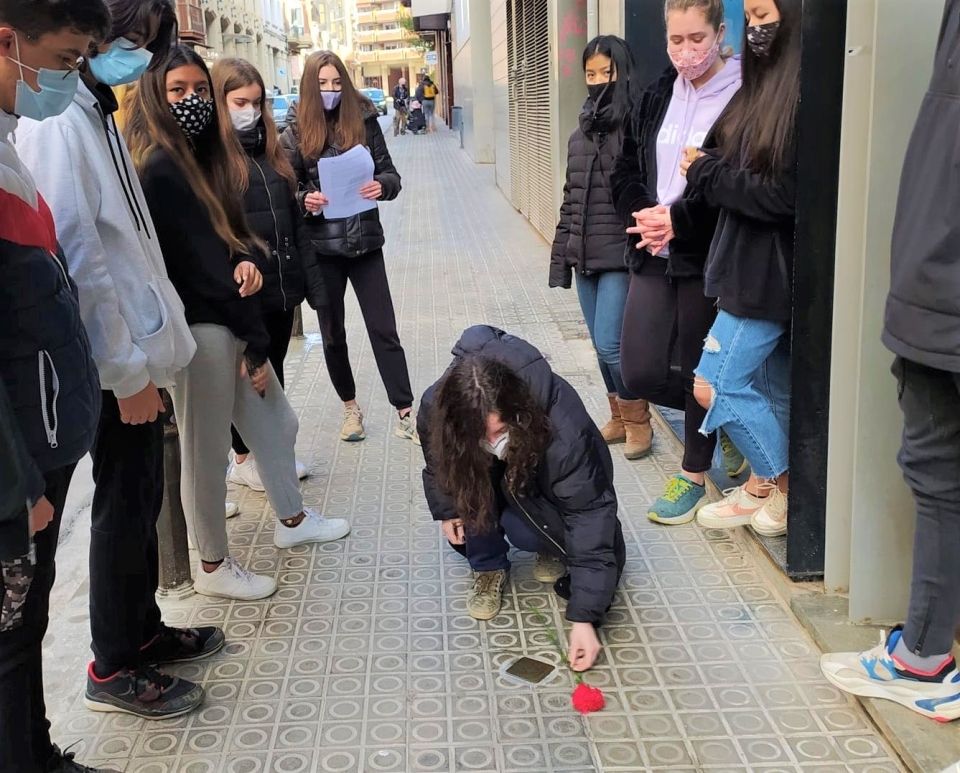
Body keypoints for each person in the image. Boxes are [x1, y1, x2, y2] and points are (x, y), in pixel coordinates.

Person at [16, 0, 229, 722]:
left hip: (138, 354)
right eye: (128, 40)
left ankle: (141, 628)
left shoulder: (96, 108)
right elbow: (79, 257)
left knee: (139, 498)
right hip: (113, 364)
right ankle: (113, 663)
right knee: (119, 505)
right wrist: (127, 373)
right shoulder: (59, 119)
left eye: (149, 43)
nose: (136, 55)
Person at [126, 45, 350, 602]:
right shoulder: (160, 166)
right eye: (178, 91)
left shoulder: (195, 161)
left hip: (226, 317)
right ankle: (211, 563)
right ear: (156, 95)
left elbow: (218, 244)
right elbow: (193, 268)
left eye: (198, 90)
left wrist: (244, 260)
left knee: (277, 422)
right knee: (203, 455)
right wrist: (251, 338)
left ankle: (292, 524)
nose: (192, 101)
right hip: (203, 329)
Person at [820, 0, 960, 723]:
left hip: (944, 292)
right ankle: (927, 653)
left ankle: (925, 658)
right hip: (936, 289)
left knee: (937, 471)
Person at [0, 3, 119, 769]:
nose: (72, 78)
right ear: (6, 41)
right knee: (11, 637)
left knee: (27, 625)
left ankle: (35, 751)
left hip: (40, 438)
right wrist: (14, 490)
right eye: (66, 59)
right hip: (15, 471)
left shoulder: (7, 137)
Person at [419, 326, 626, 672]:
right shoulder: (436, 407)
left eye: (500, 431)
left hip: (535, 478)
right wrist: (448, 509)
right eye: (479, 435)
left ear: (516, 412)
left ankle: (546, 541)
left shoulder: (562, 426)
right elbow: (436, 463)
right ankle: (487, 567)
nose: (492, 442)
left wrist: (585, 617)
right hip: (487, 478)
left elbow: (591, 515)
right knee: (468, 487)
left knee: (529, 532)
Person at [611, 0, 744, 525]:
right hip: (651, 248)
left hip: (703, 255)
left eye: (696, 39)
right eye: (675, 41)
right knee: (637, 368)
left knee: (697, 370)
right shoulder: (658, 93)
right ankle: (725, 419)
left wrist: (680, 221)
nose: (686, 52)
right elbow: (625, 165)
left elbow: (735, 185)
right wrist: (642, 211)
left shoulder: (740, 94)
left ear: (719, 32)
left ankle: (693, 474)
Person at [680, 0, 798, 537]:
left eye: (763, 15)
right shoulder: (755, 92)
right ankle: (760, 487)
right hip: (740, 267)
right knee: (768, 390)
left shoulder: (801, 96)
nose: (755, 29)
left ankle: (788, 485)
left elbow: (782, 197)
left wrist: (707, 175)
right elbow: (721, 159)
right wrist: (706, 168)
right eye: (749, 18)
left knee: (715, 385)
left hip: (766, 277)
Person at [280, 50, 418, 445]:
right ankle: (350, 408)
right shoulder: (294, 129)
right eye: (322, 84)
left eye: (337, 83)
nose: (330, 91)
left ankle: (405, 411)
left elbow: (390, 173)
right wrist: (306, 199)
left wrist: (383, 186)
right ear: (310, 85)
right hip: (322, 249)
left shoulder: (364, 119)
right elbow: (289, 188)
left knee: (383, 328)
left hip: (365, 243)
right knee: (332, 333)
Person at [211, 57, 319, 493]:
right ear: (220, 102)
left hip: (279, 287)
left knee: (271, 369)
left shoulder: (272, 150)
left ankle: (268, 452)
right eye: (240, 102)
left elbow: (291, 221)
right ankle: (244, 457)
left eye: (257, 103)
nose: (250, 112)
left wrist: (308, 285)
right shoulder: (215, 162)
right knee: (248, 377)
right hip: (244, 290)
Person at [551, 36, 652, 462]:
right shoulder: (579, 133)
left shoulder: (634, 129)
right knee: (598, 344)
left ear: (622, 73)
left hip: (619, 255)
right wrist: (561, 257)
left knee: (612, 344)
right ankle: (618, 415)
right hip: (585, 255)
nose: (597, 82)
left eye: (605, 74)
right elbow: (571, 197)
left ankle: (639, 421)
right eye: (590, 75)